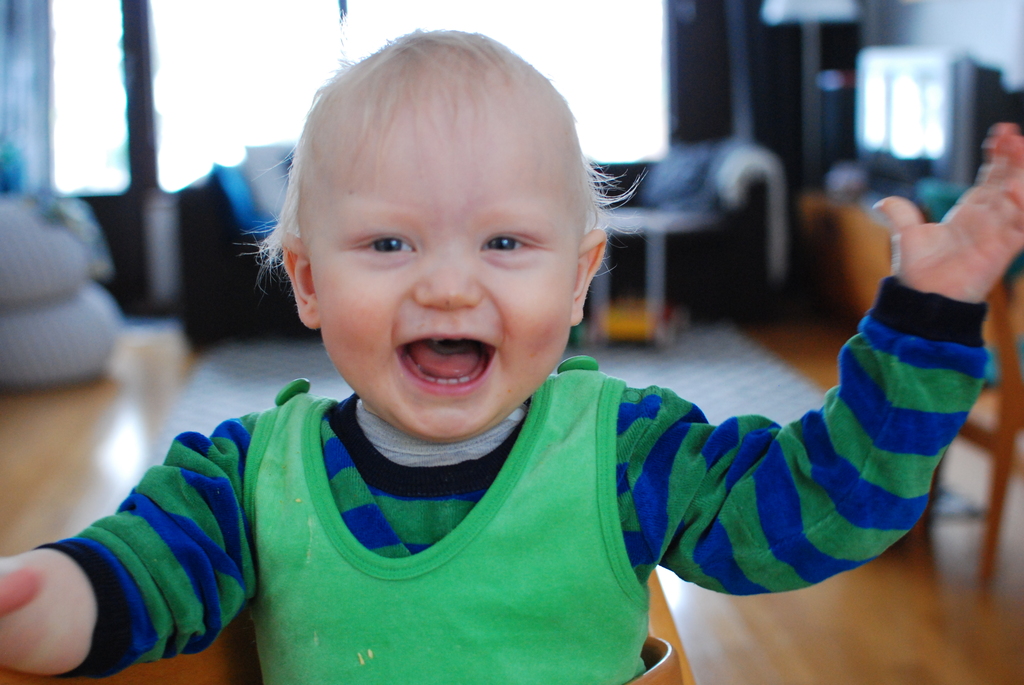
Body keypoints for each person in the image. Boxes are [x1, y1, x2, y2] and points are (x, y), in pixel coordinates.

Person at [1, 30, 1022, 684]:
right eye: (390, 244)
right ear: (308, 281)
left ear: (578, 281)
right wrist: (57, 598)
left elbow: (824, 507)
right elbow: (146, 568)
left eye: (503, 244)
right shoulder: (244, 478)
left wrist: (923, 320)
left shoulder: (630, 456)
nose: (448, 288)